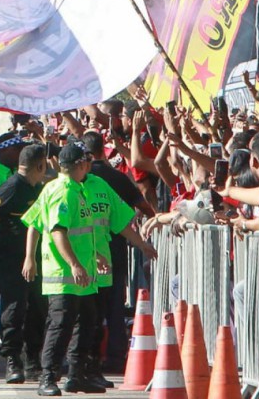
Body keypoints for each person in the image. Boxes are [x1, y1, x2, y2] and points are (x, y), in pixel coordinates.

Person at [79, 136, 157, 389]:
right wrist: (150, 226)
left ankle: (84, 360)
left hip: (83, 255)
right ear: (103, 149)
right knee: (113, 304)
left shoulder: (77, 183)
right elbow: (143, 206)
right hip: (114, 251)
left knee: (85, 308)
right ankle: (113, 356)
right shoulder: (117, 178)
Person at [22, 143, 98, 397]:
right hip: (65, 274)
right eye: (86, 162)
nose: (88, 166)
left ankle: (76, 376)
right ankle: (48, 377)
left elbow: (36, 222)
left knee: (85, 323)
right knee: (61, 325)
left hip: (81, 276)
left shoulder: (73, 189)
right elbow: (57, 231)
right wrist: (74, 264)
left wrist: (93, 256)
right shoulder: (63, 191)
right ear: (79, 165)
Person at [0, 143, 48, 385]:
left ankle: (33, 360)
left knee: (37, 308)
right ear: (39, 165)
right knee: (14, 307)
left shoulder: (39, 188)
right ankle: (12, 360)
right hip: (10, 260)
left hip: (36, 260)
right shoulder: (11, 187)